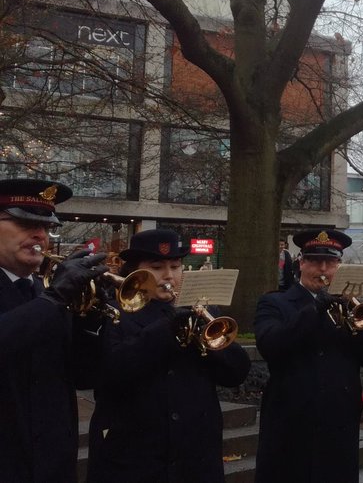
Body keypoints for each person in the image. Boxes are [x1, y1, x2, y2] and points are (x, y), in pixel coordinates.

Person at [88, 228, 251, 482]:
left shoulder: (200, 309)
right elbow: (111, 373)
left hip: (195, 455)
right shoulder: (115, 311)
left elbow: (236, 373)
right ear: (135, 272)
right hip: (136, 455)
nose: (169, 276)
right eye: (157, 267)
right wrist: (166, 329)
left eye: (175, 267)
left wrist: (209, 338)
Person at [254, 229, 363, 482]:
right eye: (315, 261)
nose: (323, 269)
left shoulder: (348, 307)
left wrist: (358, 324)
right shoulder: (275, 303)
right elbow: (270, 345)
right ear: (301, 264)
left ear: (339, 266)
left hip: (339, 421)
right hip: (291, 420)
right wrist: (314, 309)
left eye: (330, 262)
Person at [0, 178, 107, 483]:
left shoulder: (45, 292)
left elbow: (83, 377)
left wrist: (90, 319)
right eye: (25, 224)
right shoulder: (52, 296)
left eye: (46, 227)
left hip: (53, 463)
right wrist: (56, 298)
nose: (40, 236)